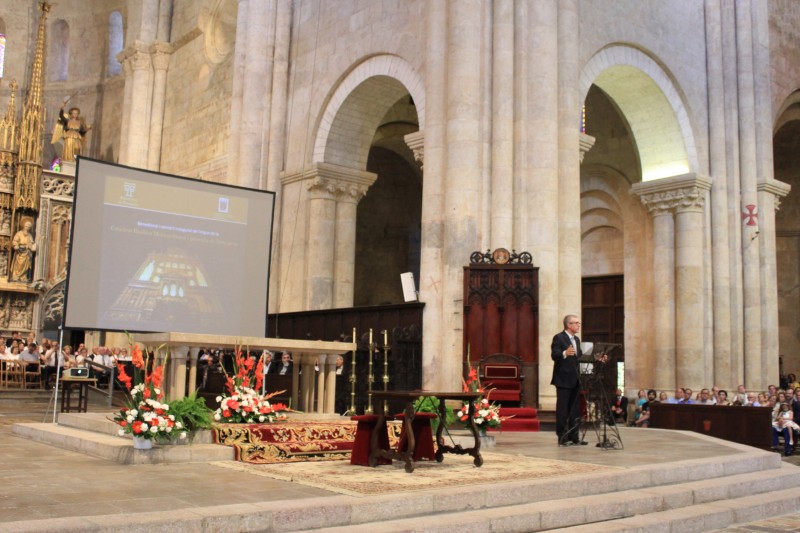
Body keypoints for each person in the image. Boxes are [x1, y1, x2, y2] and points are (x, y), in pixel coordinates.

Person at [551, 314, 587, 446]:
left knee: (575, 409)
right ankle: (562, 437)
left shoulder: (576, 339)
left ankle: (574, 437)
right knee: (563, 410)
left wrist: (597, 358)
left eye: (579, 323)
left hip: (575, 379)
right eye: (576, 323)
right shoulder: (559, 337)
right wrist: (564, 353)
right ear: (568, 325)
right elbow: (554, 355)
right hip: (563, 379)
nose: (578, 325)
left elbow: (579, 357)